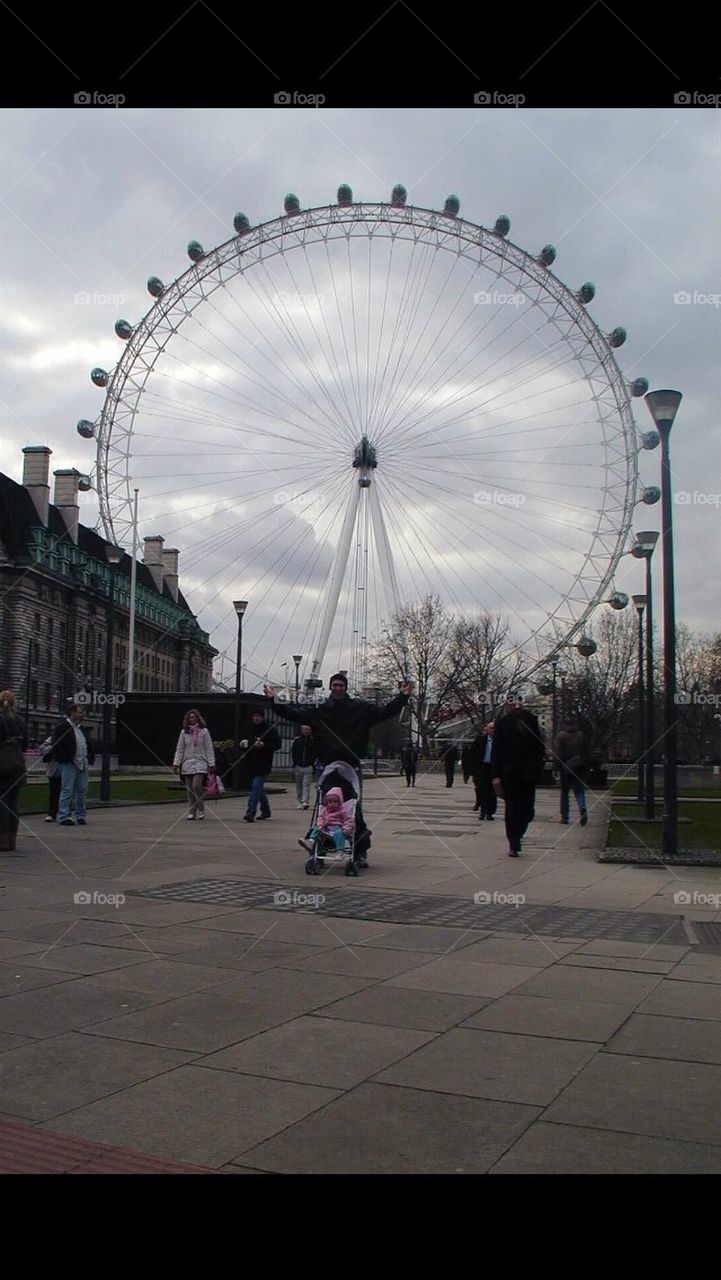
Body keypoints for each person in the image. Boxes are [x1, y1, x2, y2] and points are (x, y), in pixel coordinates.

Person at [265, 673, 410, 866]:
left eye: (341, 685)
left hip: (351, 764)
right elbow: (293, 713)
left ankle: (359, 851)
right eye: (334, 685)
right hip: (327, 764)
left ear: (345, 687)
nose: (337, 688)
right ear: (330, 687)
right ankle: (321, 847)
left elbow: (385, 711)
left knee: (353, 808)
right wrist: (273, 700)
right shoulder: (319, 710)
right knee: (325, 808)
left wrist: (402, 697)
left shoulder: (360, 708)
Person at [491, 695, 544, 857]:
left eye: (518, 702)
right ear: (507, 705)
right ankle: (513, 842)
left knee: (528, 810)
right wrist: (496, 776)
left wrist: (538, 765)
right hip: (510, 772)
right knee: (512, 808)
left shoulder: (530, 720)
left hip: (528, 772)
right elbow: (496, 751)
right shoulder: (502, 723)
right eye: (512, 702)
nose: (516, 705)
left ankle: (519, 830)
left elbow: (538, 746)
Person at [51, 703, 95, 827]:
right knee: (67, 790)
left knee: (82, 790)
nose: (81, 714)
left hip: (83, 763)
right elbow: (57, 744)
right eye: (79, 712)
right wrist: (65, 758)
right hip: (69, 763)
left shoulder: (80, 728)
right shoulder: (62, 727)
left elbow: (85, 743)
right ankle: (64, 815)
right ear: (72, 712)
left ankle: (80, 815)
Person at [173, 709, 216, 821]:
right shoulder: (184, 732)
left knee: (196, 786)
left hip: (201, 762)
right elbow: (180, 749)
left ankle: (201, 808)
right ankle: (192, 811)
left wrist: (211, 763)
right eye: (191, 718)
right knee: (190, 789)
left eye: (195, 717)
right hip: (188, 762)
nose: (193, 719)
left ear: (198, 718)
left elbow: (209, 748)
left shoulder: (204, 731)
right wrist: (176, 763)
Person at [0, 690, 28, 854]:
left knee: (2, 801)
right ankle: (11, 839)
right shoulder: (20, 721)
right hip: (17, 766)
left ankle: (2, 838)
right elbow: (24, 746)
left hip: (2, 766)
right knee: (13, 802)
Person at [242, 709, 281, 822]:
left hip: (263, 764)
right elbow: (247, 745)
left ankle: (250, 812)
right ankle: (266, 810)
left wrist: (264, 745)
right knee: (258, 789)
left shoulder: (270, 730)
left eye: (258, 716)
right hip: (250, 764)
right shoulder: (249, 729)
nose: (256, 718)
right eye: (254, 716)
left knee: (255, 787)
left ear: (262, 717)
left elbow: (277, 745)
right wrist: (243, 745)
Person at [553, 716, 589, 826]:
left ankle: (565, 817)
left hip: (565, 767)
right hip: (579, 766)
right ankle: (582, 807)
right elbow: (586, 752)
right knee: (579, 791)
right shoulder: (581, 736)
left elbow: (558, 754)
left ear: (565, 725)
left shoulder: (561, 736)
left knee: (564, 793)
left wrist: (556, 767)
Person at [299, 786, 353, 855]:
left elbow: (348, 820)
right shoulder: (324, 810)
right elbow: (320, 818)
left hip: (338, 829)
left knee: (339, 832)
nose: (332, 804)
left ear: (339, 802)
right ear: (326, 803)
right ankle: (311, 841)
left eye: (335, 802)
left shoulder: (342, 811)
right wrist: (320, 825)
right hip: (326, 829)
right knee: (317, 827)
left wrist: (346, 828)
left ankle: (340, 852)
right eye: (330, 802)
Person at [292, 724, 316, 810]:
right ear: (301, 730)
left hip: (308, 766)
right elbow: (293, 752)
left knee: (306, 784)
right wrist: (295, 763)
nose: (306, 731)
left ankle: (305, 801)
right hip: (298, 766)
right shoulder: (297, 740)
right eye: (305, 729)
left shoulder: (313, 741)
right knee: (299, 785)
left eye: (308, 730)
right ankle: (299, 800)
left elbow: (315, 753)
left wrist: (313, 764)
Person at [39, 732, 61, 822]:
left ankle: (63, 812)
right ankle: (52, 813)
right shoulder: (52, 738)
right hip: (53, 770)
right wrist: (55, 748)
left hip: (66, 770)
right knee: (54, 793)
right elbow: (42, 748)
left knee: (64, 792)